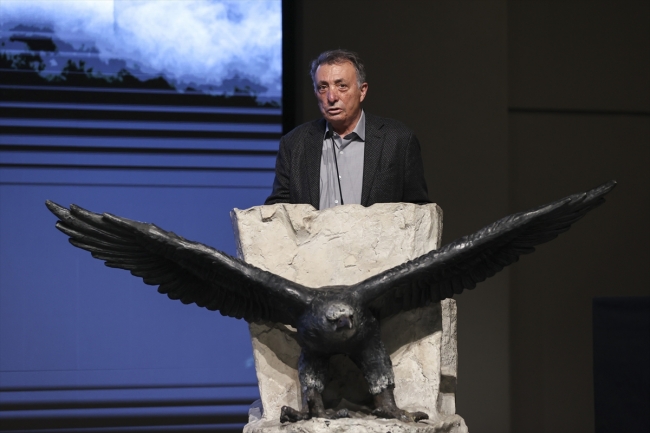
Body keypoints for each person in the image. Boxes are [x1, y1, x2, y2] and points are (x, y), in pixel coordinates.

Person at [265, 49, 430, 209]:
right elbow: (278, 210)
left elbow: (418, 212)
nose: (331, 97)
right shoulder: (294, 144)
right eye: (323, 87)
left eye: (342, 86)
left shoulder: (398, 141)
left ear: (362, 91)